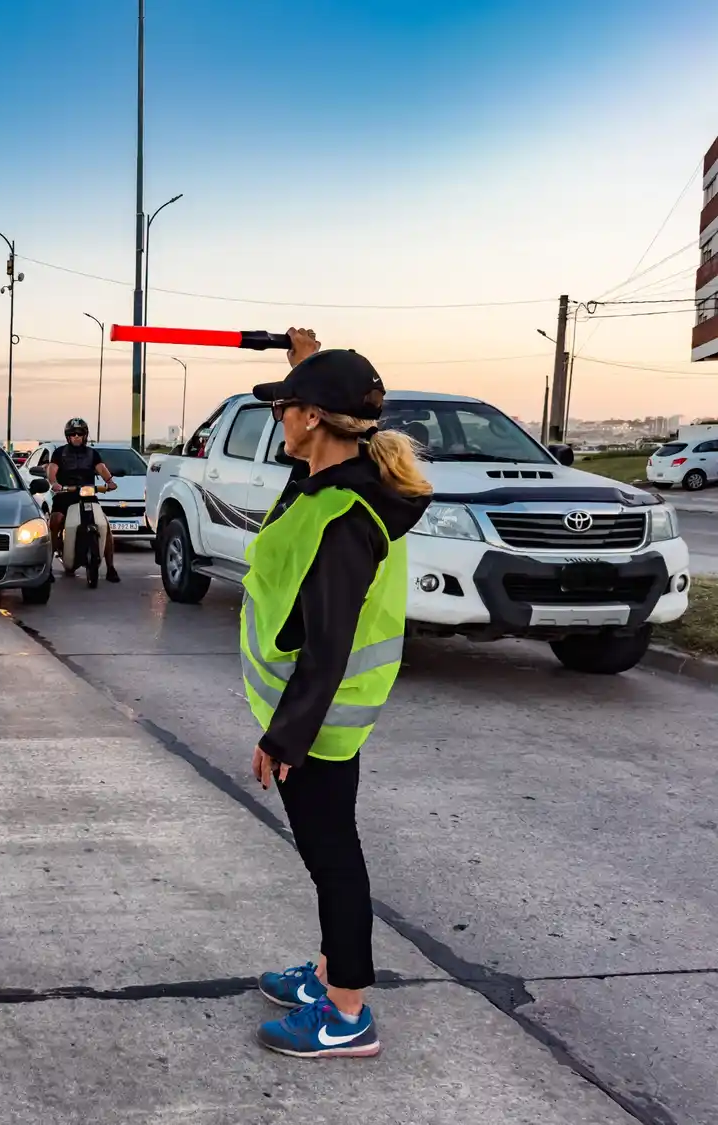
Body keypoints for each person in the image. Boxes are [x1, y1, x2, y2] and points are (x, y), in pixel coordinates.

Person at [241, 328, 433, 1059]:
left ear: (313, 418)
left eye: (285, 408)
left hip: (318, 719)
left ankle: (346, 1009)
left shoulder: (347, 515)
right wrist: (306, 369)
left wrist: (284, 737)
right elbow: (309, 484)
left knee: (332, 857)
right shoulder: (329, 485)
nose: (279, 419)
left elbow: (330, 644)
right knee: (329, 848)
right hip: (315, 712)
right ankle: (327, 971)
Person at [45, 418, 120, 583]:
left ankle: (111, 568)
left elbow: (101, 469)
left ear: (85, 435)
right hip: (65, 494)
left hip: (88, 494)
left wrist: (109, 481)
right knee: (55, 521)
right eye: (73, 434)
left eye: (80, 433)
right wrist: (54, 483)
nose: (77, 436)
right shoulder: (59, 453)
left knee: (105, 526)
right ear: (68, 437)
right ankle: (47, 567)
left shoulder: (92, 454)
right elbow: (52, 470)